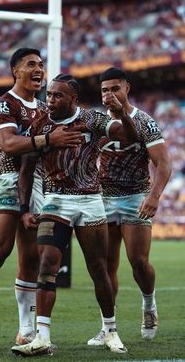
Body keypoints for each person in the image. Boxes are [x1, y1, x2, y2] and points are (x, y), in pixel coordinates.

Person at [0, 49, 82, 352]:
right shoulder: (4, 104)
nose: (39, 69)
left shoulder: (44, 106)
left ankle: (26, 330)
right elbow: (9, 143)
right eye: (31, 65)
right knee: (0, 250)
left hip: (37, 184)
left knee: (30, 259)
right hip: (9, 180)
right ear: (16, 71)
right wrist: (48, 140)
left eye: (41, 65)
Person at [11, 73, 139, 357]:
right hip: (55, 201)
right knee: (46, 264)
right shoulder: (39, 124)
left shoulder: (92, 120)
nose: (51, 100)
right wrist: (24, 209)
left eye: (58, 95)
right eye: (49, 94)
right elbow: (26, 172)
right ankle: (42, 337)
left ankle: (110, 330)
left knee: (98, 269)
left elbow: (129, 137)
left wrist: (121, 113)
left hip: (90, 200)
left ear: (73, 99)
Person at [87, 67, 171, 346]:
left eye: (114, 89)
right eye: (104, 90)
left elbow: (163, 162)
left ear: (127, 88)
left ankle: (149, 305)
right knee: (106, 265)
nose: (109, 94)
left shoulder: (144, 122)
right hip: (103, 198)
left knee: (138, 262)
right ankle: (107, 327)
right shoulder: (97, 121)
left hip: (136, 197)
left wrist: (154, 196)